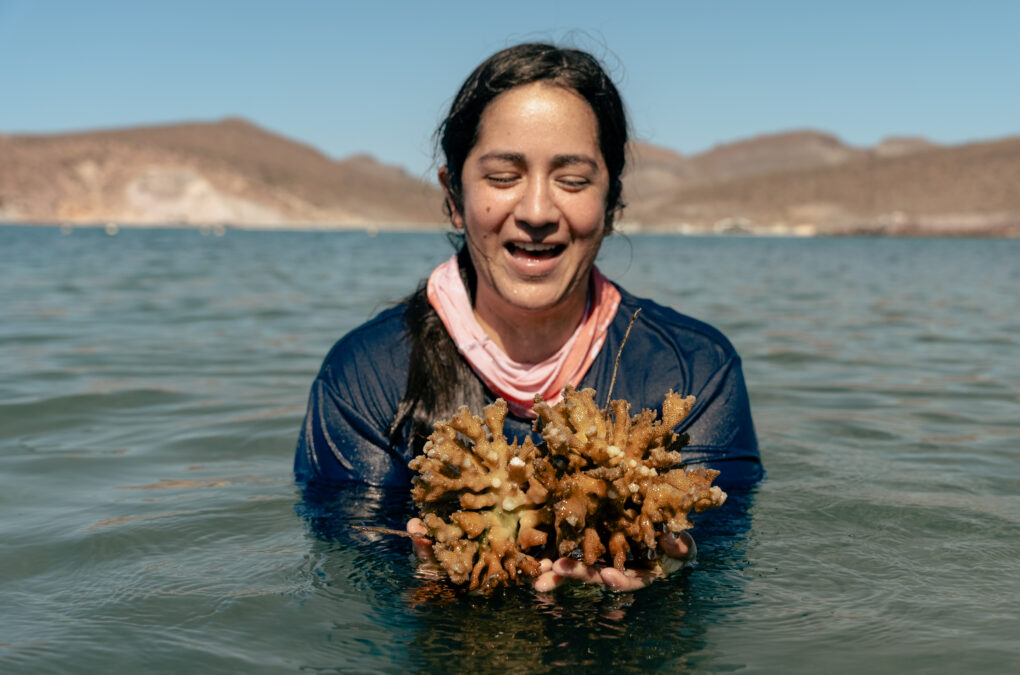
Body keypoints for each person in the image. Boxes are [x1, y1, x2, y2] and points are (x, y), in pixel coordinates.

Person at [294, 43, 762, 592]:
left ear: (611, 204)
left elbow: (722, 546)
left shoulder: (697, 371)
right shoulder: (364, 376)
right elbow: (349, 556)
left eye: (573, 180)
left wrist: (672, 574)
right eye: (502, 176)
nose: (537, 211)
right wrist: (429, 584)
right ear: (453, 196)